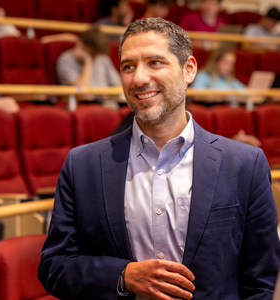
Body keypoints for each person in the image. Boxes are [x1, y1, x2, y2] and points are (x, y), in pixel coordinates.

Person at [38, 17, 280, 300]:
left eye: (155, 62)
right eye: (128, 66)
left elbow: (260, 279)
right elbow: (54, 267)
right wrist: (124, 276)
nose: (139, 78)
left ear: (188, 69)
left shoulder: (244, 165)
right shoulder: (82, 166)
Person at [56, 26, 121, 87]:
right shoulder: (66, 60)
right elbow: (81, 92)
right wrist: (87, 61)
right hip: (83, 99)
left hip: (106, 99)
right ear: (80, 45)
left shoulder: (101, 57)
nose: (95, 57)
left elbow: (118, 85)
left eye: (96, 54)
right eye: (92, 53)